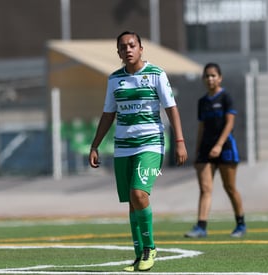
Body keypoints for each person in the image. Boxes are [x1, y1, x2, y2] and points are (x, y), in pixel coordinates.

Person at [88, 30, 188, 272]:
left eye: (132, 45)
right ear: (119, 53)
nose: (128, 49)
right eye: (123, 47)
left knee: (139, 193)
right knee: (132, 202)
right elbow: (108, 114)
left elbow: (171, 108)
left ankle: (150, 248)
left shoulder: (156, 74)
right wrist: (95, 145)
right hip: (123, 147)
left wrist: (180, 140)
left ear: (141, 48)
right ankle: (137, 255)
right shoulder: (114, 80)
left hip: (151, 144)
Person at [184, 63, 246, 238]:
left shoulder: (226, 97)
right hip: (205, 150)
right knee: (205, 188)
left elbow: (230, 124)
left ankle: (240, 224)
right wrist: (197, 153)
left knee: (230, 187)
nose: (210, 79)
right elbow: (201, 127)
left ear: (220, 78)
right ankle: (201, 227)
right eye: (207, 76)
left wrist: (219, 145)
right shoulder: (202, 102)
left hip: (225, 148)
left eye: (213, 75)